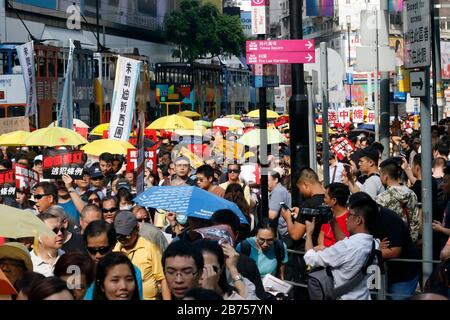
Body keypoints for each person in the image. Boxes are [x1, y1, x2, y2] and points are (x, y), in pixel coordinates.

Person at [304, 192, 379, 300]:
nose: (346, 219)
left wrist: (309, 234)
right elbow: (345, 243)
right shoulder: (374, 244)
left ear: (359, 220)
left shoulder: (347, 248)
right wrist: (333, 221)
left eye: (350, 215)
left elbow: (310, 259)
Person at [113, 210, 170, 300]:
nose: (123, 239)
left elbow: (163, 279)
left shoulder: (150, 248)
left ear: (137, 229)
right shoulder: (115, 250)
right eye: (119, 235)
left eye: (127, 235)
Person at [210, 209, 265, 300]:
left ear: (236, 235)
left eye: (225, 234)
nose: (220, 239)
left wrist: (233, 270)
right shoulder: (201, 259)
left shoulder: (247, 264)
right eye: (215, 233)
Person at [82, 220, 144, 300]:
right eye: (92, 250)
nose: (98, 255)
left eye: (103, 249)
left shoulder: (132, 271)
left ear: (113, 245)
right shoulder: (80, 271)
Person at [376, 157, 420, 243]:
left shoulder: (381, 198)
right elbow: (415, 222)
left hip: (391, 246)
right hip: (409, 244)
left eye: (380, 174)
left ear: (386, 176)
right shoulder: (412, 194)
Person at [31, 212, 65, 277]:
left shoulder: (67, 258)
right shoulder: (28, 263)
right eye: (54, 230)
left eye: (62, 229)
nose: (60, 233)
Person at [319, 183, 350, 247]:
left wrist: (326, 249)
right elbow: (321, 236)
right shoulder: (328, 215)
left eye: (325, 197)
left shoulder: (350, 219)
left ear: (334, 200)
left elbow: (345, 246)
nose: (323, 200)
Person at [268, 170, 292, 244]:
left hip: (286, 233)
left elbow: (272, 215)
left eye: (267, 180)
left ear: (276, 180)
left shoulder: (277, 191)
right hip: (286, 231)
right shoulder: (279, 190)